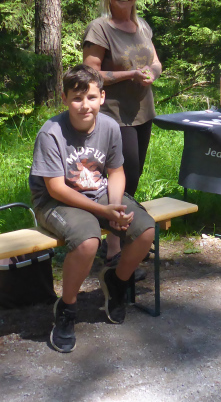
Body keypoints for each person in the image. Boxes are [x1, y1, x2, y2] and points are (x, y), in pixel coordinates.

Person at [29, 64, 156, 353]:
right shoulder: (51, 133)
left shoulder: (109, 126)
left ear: (102, 97)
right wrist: (103, 212)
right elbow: (55, 188)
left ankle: (116, 281)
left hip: (98, 193)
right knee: (88, 242)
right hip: (54, 201)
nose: (85, 105)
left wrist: (114, 205)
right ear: (65, 99)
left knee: (145, 231)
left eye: (91, 97)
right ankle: (67, 308)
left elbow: (116, 172)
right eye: (77, 98)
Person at [82, 0, 162, 267]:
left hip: (143, 111)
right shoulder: (100, 28)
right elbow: (90, 74)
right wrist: (129, 74)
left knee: (135, 175)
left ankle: (123, 234)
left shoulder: (142, 26)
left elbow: (156, 62)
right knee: (121, 177)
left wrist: (152, 73)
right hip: (114, 115)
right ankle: (113, 246)